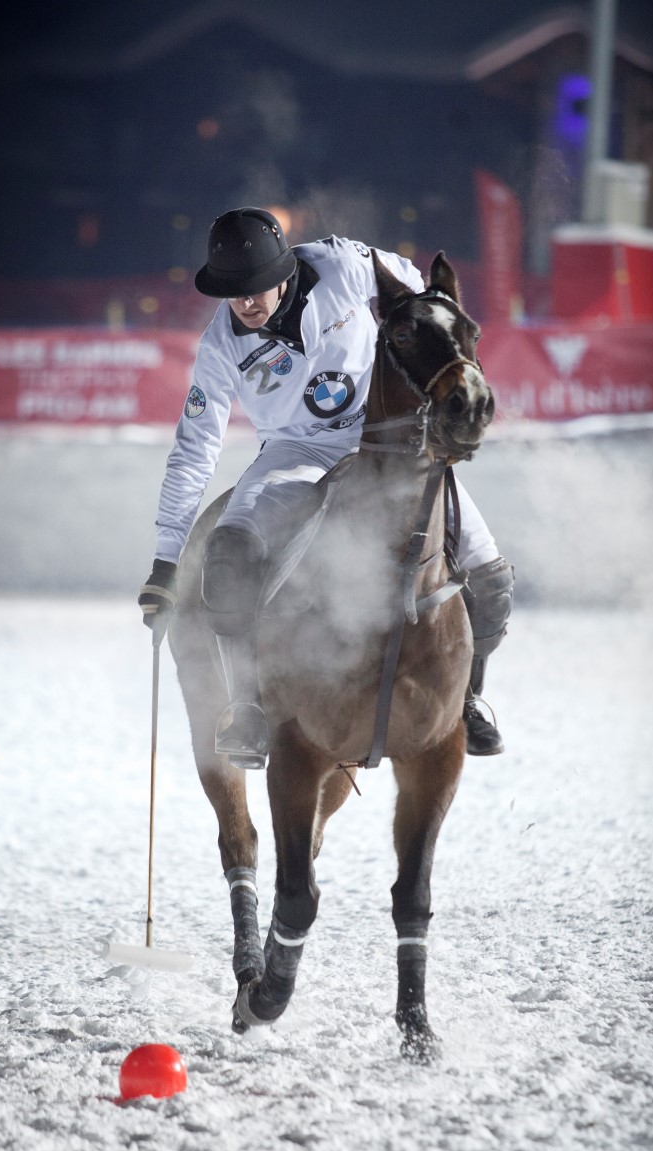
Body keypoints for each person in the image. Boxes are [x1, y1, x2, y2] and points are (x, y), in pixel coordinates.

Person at [139, 207, 513, 769]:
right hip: (295, 452)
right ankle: (247, 708)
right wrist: (166, 564)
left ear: (284, 272)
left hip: (388, 434)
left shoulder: (344, 263)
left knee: (490, 575)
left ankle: (470, 698)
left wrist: (441, 368)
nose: (245, 304)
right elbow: (194, 450)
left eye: (255, 288)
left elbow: (420, 294)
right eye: (232, 292)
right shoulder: (220, 347)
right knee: (229, 553)